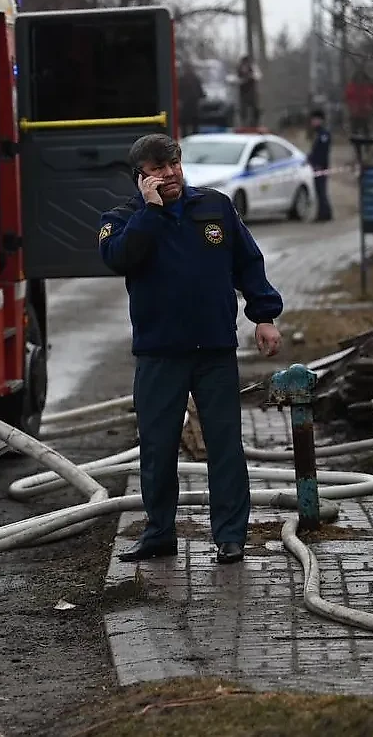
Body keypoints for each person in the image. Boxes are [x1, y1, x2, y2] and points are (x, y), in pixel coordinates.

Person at [98, 133, 283, 565]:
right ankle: (160, 534)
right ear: (140, 177)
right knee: (158, 447)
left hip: (214, 348)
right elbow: (119, 258)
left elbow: (247, 263)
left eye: (174, 165)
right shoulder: (122, 219)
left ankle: (231, 537)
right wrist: (151, 212)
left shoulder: (215, 207)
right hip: (159, 352)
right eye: (158, 169)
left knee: (225, 445)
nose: (170, 174)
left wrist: (264, 316)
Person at [308, 108, 333, 221]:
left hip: (321, 167)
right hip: (316, 166)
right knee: (319, 191)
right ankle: (323, 213)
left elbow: (322, 152)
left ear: (320, 120)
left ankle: (325, 214)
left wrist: (318, 163)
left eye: (315, 120)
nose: (313, 122)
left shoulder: (324, 134)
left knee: (321, 191)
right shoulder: (318, 134)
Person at [344, 71, 373, 137]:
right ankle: (357, 140)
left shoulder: (368, 87)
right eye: (358, 78)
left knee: (366, 130)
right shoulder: (351, 86)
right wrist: (352, 106)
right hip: (355, 113)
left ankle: (366, 141)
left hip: (365, 112)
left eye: (362, 78)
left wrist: (371, 105)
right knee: (355, 131)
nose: (360, 80)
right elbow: (347, 98)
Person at [177, 62, 204, 137]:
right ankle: (194, 137)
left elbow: (178, 91)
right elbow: (200, 92)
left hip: (185, 104)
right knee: (194, 123)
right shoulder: (195, 78)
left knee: (185, 124)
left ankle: (185, 137)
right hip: (193, 104)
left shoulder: (181, 79)